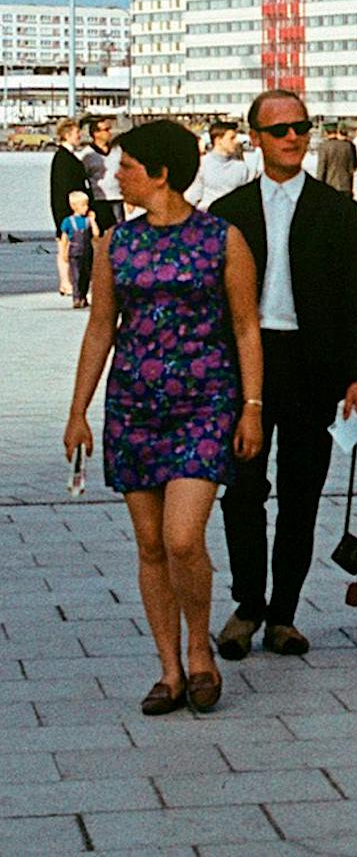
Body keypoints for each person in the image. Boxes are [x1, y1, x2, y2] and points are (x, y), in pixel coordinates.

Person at [62, 119, 263, 716]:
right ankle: (170, 670)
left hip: (206, 404)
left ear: (161, 173)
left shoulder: (222, 239)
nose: (116, 177)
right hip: (134, 407)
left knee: (182, 537)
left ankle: (200, 652)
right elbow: (101, 328)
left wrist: (252, 407)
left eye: (125, 167)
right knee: (151, 544)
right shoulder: (115, 245)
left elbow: (246, 328)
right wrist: (78, 411)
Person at [212, 89, 357, 660]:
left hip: (314, 367)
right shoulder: (228, 213)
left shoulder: (338, 211)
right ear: (255, 138)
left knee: (301, 497)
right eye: (279, 129)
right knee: (242, 492)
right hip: (246, 369)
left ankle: (283, 614)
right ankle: (247, 605)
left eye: (300, 127)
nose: (292, 137)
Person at [49, 118, 89, 299]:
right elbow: (62, 189)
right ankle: (65, 282)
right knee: (64, 246)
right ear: (66, 135)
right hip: (66, 209)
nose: (80, 135)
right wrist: (68, 212)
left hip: (71, 207)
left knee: (68, 246)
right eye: (76, 133)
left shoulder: (68, 156)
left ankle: (70, 282)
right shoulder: (63, 158)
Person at [189, 120, 251, 211]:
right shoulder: (202, 164)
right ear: (218, 140)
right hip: (207, 214)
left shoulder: (241, 167)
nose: (236, 141)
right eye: (232, 138)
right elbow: (192, 197)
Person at [81, 114, 124, 235]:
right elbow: (83, 177)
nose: (110, 133)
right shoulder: (87, 154)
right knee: (102, 233)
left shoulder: (117, 150)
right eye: (106, 130)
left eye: (110, 129)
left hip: (117, 198)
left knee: (119, 231)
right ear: (96, 133)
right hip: (99, 200)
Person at [57, 188, 95, 311]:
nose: (86, 207)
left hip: (87, 251)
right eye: (83, 205)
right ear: (74, 206)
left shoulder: (87, 221)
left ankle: (83, 297)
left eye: (87, 204)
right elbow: (64, 239)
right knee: (76, 276)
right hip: (74, 251)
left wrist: (93, 221)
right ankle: (76, 298)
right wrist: (63, 252)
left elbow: (96, 234)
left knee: (86, 275)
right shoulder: (68, 221)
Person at [315, 121, 357, 196]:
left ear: (326, 133)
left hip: (329, 186)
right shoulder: (347, 146)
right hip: (346, 186)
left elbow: (321, 169)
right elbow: (353, 166)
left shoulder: (324, 147)